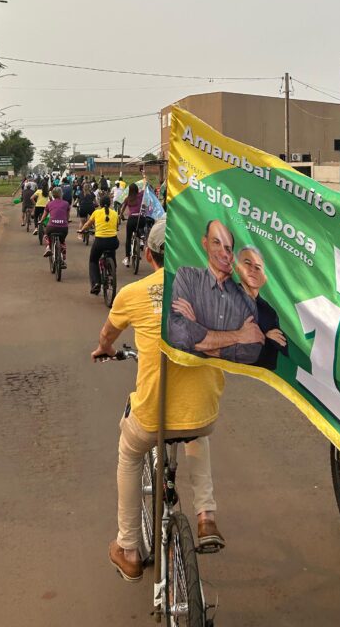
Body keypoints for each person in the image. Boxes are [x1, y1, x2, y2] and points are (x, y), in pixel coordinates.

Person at [91, 218, 226, 583]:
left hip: (152, 417)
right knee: (197, 434)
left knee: (129, 453)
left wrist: (104, 349)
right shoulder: (215, 290)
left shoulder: (133, 294)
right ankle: (205, 516)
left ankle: (130, 547)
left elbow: (108, 335)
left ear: (149, 255)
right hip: (203, 412)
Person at [167, 220, 264, 363]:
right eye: (216, 243)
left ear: (232, 257)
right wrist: (238, 336)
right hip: (183, 373)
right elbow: (178, 333)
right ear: (205, 243)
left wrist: (197, 330)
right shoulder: (187, 276)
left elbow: (251, 352)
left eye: (228, 248)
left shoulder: (246, 301)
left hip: (218, 381)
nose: (223, 253)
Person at [234, 246, 288, 371]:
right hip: (225, 370)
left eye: (258, 267)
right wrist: (264, 337)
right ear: (237, 268)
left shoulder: (269, 312)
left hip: (257, 381)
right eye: (247, 263)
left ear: (265, 278)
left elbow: (280, 348)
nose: (253, 269)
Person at [80, 192, 120, 295]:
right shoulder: (115, 213)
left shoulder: (96, 213)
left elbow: (88, 224)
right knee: (112, 252)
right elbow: (116, 226)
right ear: (110, 204)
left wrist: (82, 230)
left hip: (100, 241)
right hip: (113, 241)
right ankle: (112, 270)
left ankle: (96, 283)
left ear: (100, 204)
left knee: (93, 260)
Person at [118, 183, 152, 268]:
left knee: (128, 238)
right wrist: (143, 175)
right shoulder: (140, 195)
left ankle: (127, 258)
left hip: (132, 219)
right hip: (141, 219)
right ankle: (141, 238)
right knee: (140, 228)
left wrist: (121, 216)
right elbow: (145, 187)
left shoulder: (127, 199)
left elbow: (122, 211)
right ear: (137, 189)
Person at [42, 186, 70, 258]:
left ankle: (48, 247)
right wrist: (66, 222)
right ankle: (63, 253)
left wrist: (40, 221)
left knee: (46, 235)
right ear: (61, 194)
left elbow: (44, 216)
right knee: (62, 240)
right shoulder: (66, 204)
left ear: (53, 195)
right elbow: (67, 217)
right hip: (63, 228)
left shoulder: (49, 204)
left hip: (51, 227)